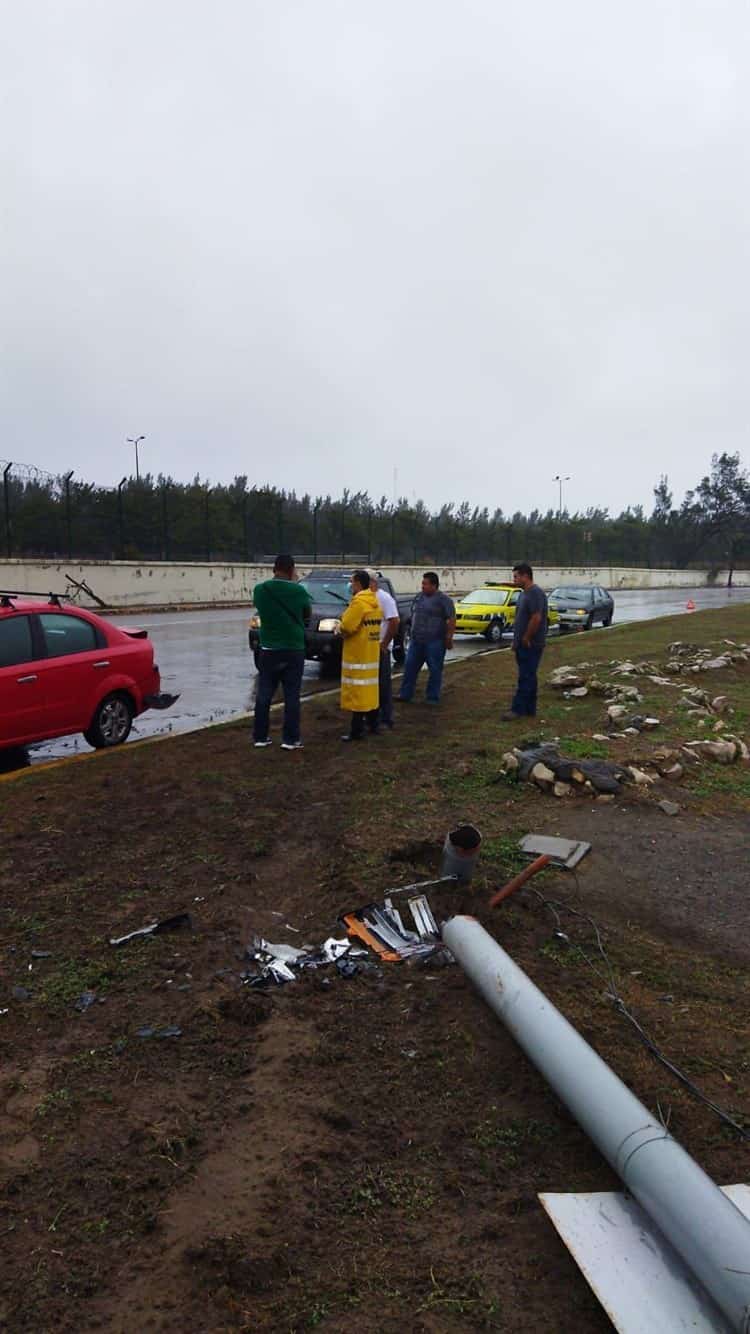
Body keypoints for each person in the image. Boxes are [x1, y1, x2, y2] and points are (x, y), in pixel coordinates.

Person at [252, 554, 312, 749]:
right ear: (291, 569)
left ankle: (260, 737)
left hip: (268, 648)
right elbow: (306, 615)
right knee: (292, 695)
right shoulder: (299, 591)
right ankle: (290, 739)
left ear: (274, 569)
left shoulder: (260, 590)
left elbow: (260, 609)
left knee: (264, 694)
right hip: (294, 649)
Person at [397, 572, 455, 704]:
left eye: (425, 584)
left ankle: (432, 697)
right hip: (417, 640)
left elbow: (451, 619)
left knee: (435, 669)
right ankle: (405, 694)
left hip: (435, 642)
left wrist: (449, 637)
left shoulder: (444, 600)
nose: (422, 586)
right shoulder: (419, 597)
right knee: (410, 666)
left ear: (434, 585)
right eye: (422, 583)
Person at [338, 569, 382, 740]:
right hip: (371, 654)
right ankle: (373, 725)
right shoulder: (374, 602)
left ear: (357, 583)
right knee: (370, 692)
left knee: (357, 693)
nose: (350, 585)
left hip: (357, 655)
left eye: (351, 582)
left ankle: (356, 731)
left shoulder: (358, 603)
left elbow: (347, 626)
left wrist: (339, 627)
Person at [502, 561, 548, 720]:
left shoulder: (535, 593)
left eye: (516, 576)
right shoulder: (523, 593)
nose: (514, 579)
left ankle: (518, 709)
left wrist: (527, 637)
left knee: (526, 676)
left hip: (531, 643)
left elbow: (536, 618)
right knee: (530, 676)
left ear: (525, 576)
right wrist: (516, 642)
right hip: (522, 643)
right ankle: (530, 709)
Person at [368, 569, 399, 729]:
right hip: (367, 649)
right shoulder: (363, 598)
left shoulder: (384, 599)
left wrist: (384, 643)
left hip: (380, 648)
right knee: (371, 686)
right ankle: (372, 717)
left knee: (383, 685)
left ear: (373, 582)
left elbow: (394, 621)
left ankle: (386, 719)